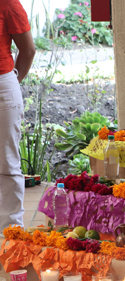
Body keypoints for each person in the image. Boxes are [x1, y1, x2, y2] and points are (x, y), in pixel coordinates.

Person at [0, 0, 35, 232]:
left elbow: (28, 50)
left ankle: (11, 233)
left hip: (2, 85)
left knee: (7, 161)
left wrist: (13, 83)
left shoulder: (7, 3)